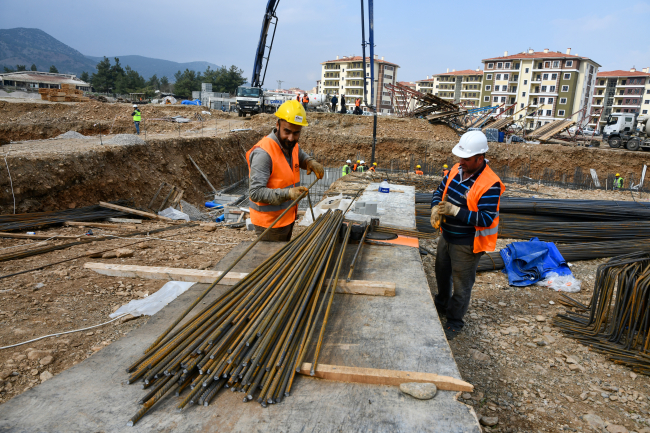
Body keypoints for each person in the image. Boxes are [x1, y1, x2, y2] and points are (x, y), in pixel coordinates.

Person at [430, 130, 505, 341]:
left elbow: (487, 218)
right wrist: (436, 206)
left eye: (466, 158)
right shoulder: (456, 169)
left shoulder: (490, 183)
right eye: (460, 157)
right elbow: (439, 190)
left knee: (461, 284)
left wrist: (455, 211)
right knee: (442, 274)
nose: (461, 161)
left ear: (480, 158)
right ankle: (442, 305)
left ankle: (455, 321)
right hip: (447, 236)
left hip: (466, 243)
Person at [246, 100, 324, 242]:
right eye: (287, 131)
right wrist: (288, 193)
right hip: (270, 223)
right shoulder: (263, 153)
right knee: (273, 262)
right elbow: (255, 192)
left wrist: (309, 162)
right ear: (277, 125)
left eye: (296, 133)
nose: (291, 138)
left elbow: (299, 155)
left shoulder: (291, 145)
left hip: (286, 217)